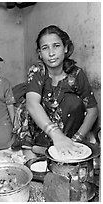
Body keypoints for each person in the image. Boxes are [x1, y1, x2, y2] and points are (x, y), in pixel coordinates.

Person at [12, 25, 98, 156]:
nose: (51, 53)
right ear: (40, 53)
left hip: (69, 136)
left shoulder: (77, 74)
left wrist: (75, 141)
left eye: (56, 46)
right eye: (45, 48)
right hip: (42, 133)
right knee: (28, 106)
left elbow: (92, 110)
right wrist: (56, 134)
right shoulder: (37, 71)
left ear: (66, 48)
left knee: (73, 101)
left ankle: (60, 147)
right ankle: (37, 148)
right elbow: (32, 104)